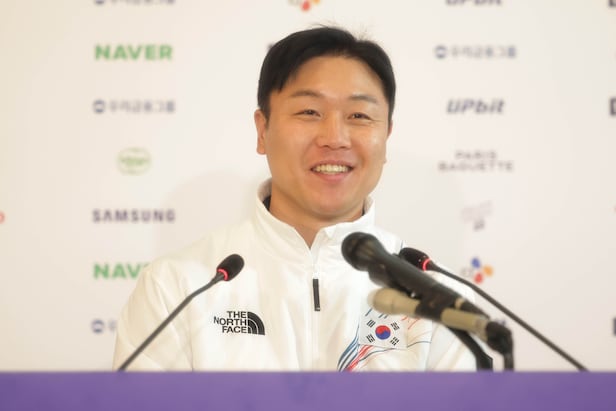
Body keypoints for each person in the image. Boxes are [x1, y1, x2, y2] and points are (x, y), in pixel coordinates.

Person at [112, 26, 478, 371]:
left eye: (359, 115)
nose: (335, 138)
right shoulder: (178, 287)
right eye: (309, 112)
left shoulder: (440, 301)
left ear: (386, 136)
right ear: (263, 130)